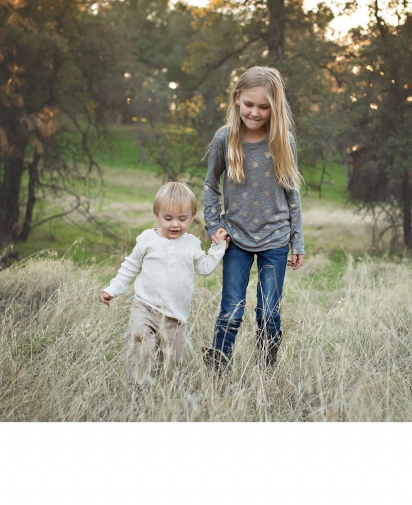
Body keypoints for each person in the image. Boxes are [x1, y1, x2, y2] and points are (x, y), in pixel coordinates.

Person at [202, 66, 305, 371]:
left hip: (275, 240)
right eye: (249, 104)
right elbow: (210, 186)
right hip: (236, 239)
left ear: (275, 106)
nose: (256, 113)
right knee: (231, 310)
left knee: (268, 313)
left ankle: (265, 372)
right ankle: (218, 369)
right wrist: (213, 225)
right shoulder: (225, 139)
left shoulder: (283, 140)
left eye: (264, 106)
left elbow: (292, 194)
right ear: (237, 99)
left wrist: (297, 240)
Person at [101, 181, 228, 387]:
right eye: (168, 219)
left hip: (176, 316)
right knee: (139, 338)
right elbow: (130, 267)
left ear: (192, 217)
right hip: (145, 306)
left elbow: (205, 268)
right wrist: (113, 289)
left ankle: (163, 395)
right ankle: (137, 385)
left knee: (172, 362)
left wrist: (218, 246)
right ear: (157, 215)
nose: (175, 224)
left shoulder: (192, 244)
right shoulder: (147, 239)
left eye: (182, 219)